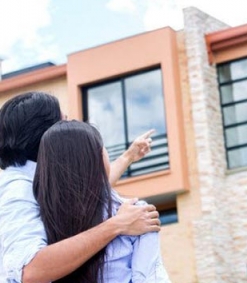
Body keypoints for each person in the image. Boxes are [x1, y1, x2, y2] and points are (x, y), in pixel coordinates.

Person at [0, 91, 161, 283]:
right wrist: (116, 225)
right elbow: (30, 270)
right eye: (63, 121)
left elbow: (86, 190)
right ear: (47, 135)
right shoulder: (16, 190)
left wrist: (128, 157)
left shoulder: (43, 176)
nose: (69, 127)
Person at [34, 120, 170, 282]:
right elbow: (150, 277)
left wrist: (128, 156)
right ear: (96, 158)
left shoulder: (38, 219)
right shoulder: (136, 213)